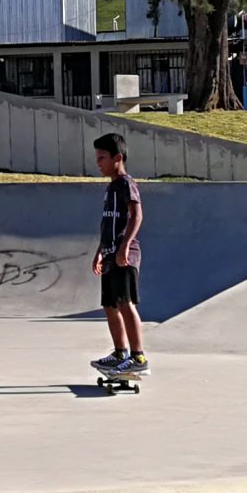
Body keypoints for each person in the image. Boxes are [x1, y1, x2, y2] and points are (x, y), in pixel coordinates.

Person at [88, 134, 147, 378]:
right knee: (110, 305)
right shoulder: (110, 187)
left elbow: (136, 216)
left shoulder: (126, 184)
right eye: (97, 158)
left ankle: (138, 357)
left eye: (102, 158)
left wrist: (124, 247)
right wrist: (99, 252)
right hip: (109, 254)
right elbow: (107, 224)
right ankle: (120, 353)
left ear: (118, 158)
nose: (98, 163)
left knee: (125, 303)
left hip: (125, 255)